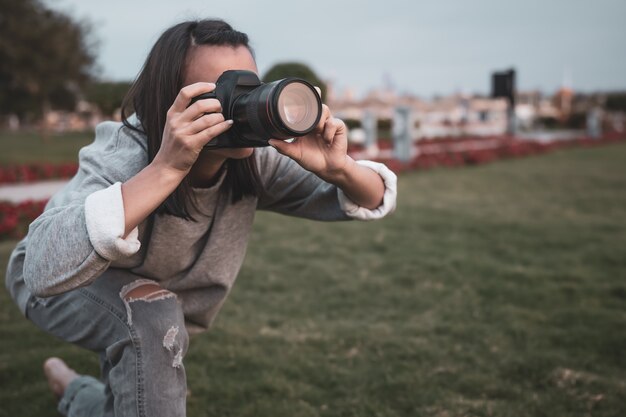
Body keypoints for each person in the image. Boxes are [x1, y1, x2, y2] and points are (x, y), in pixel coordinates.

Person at [4, 19, 397, 416]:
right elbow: (41, 267)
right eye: (222, 94)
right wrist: (166, 169)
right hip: (63, 285)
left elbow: (370, 198)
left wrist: (339, 169)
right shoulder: (127, 151)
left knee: (144, 354)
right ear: (168, 103)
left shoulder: (256, 162)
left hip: (154, 299)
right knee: (151, 317)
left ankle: (72, 392)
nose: (243, 105)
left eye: (250, 89)